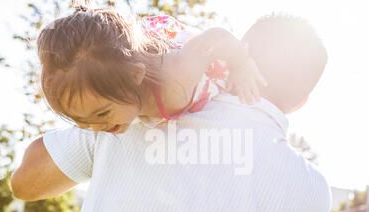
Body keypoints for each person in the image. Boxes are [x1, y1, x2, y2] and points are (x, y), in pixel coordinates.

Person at [11, 13, 330, 212]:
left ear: (232, 59)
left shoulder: (134, 112)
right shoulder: (314, 194)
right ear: (302, 101)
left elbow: (25, 183)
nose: (96, 125)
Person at [37, 5, 267, 133]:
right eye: (82, 122)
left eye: (102, 114)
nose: (96, 129)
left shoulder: (176, 80)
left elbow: (216, 38)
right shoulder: (107, 92)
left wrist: (242, 63)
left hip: (186, 52)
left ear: (136, 75)